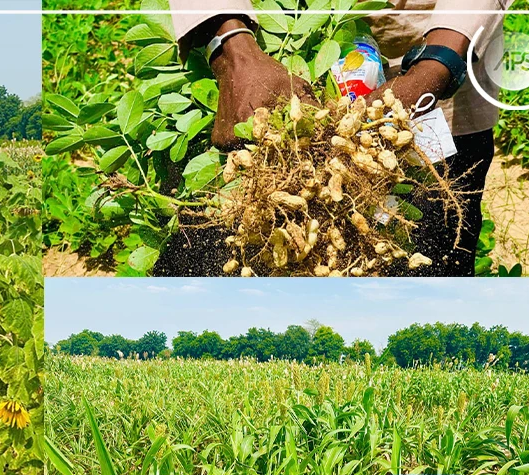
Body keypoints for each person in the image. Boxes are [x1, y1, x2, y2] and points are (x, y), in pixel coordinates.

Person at [168, 1, 506, 276]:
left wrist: (440, 61)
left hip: (438, 74)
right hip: (264, 60)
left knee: (428, 264)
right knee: (220, 254)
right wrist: (232, 48)